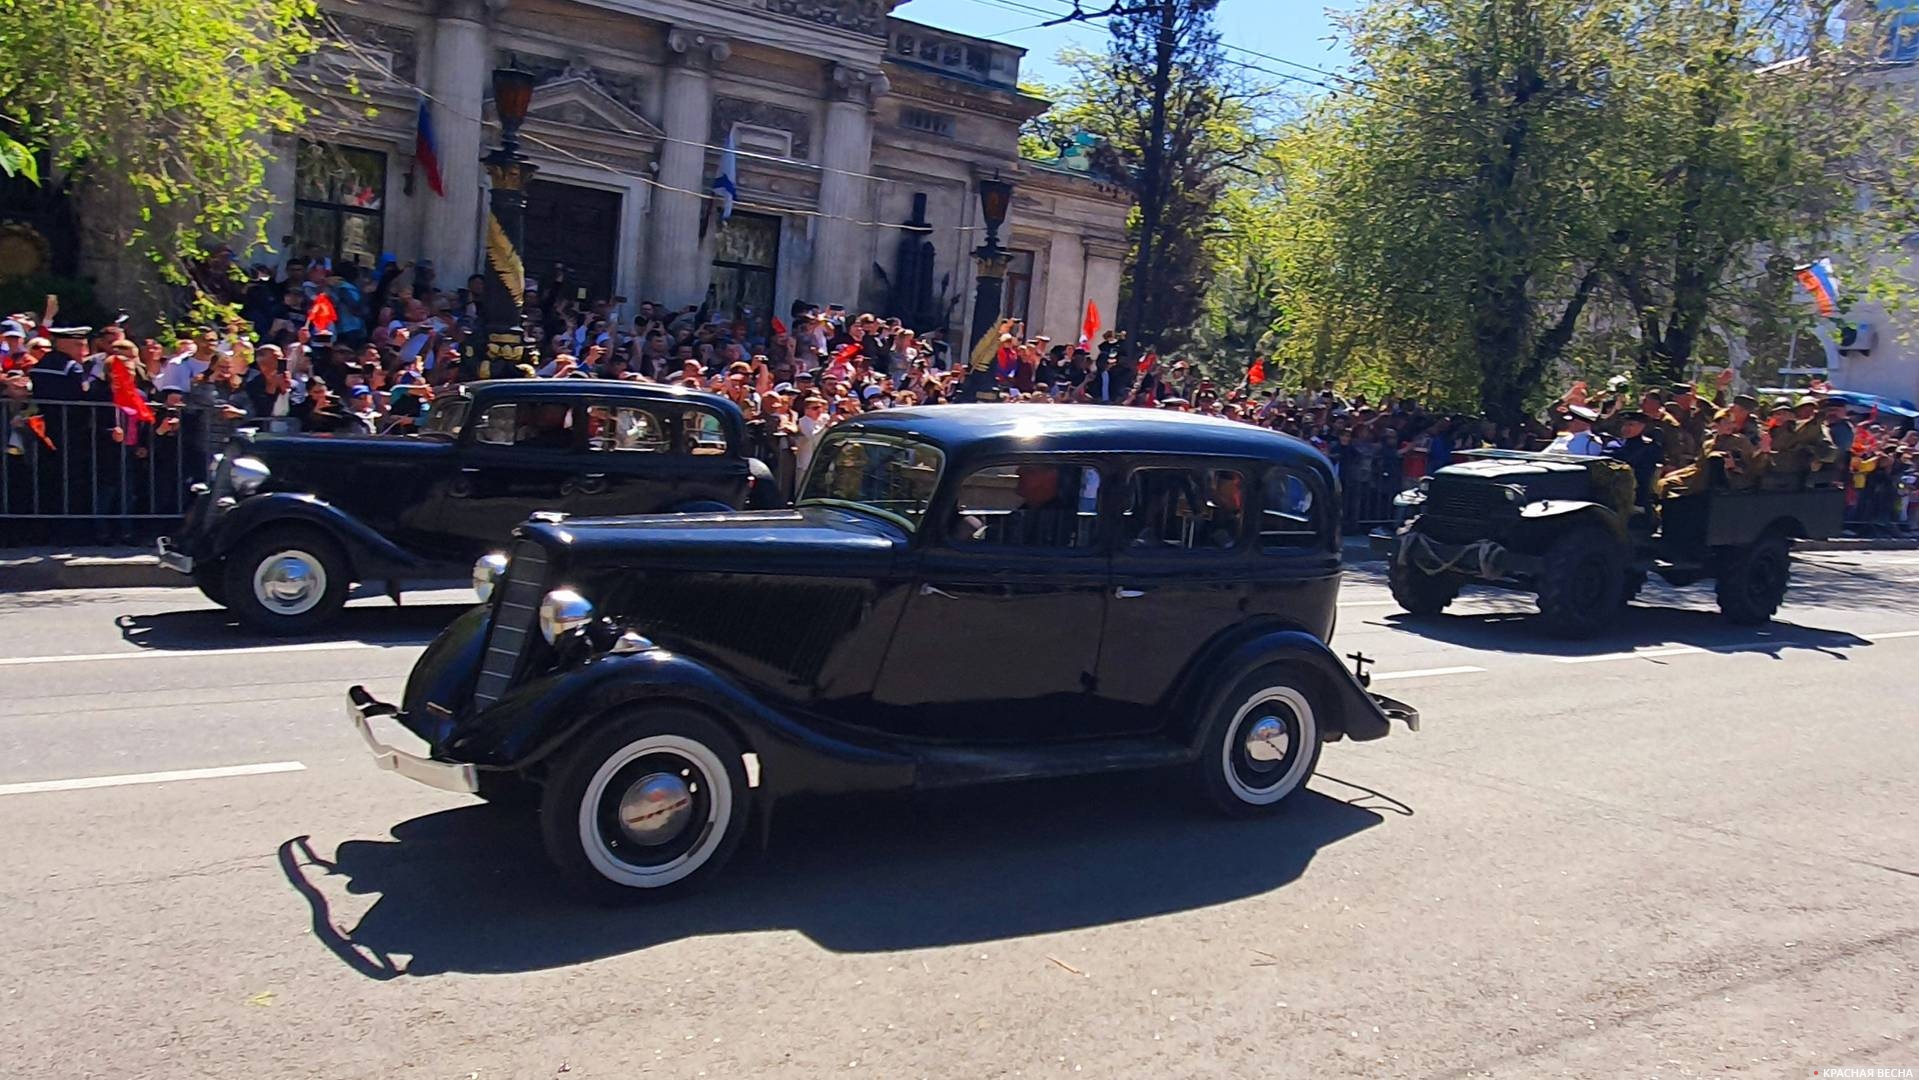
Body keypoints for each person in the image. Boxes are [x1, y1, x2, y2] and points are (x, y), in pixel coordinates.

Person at [1603, 410, 1663, 512]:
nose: (1626, 428)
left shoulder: (1648, 447)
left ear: (1642, 426)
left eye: (1631, 425)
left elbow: (1645, 475)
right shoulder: (1613, 445)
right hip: (1611, 491)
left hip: (1636, 495)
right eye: (1625, 424)